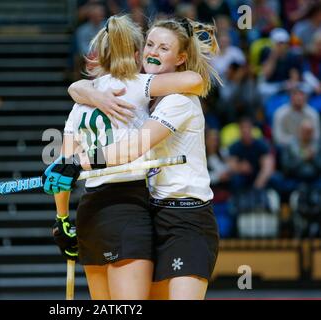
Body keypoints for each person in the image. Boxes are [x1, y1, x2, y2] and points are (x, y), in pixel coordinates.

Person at [44, 17, 222, 300]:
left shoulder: (177, 99)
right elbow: (77, 88)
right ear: (137, 52)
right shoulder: (142, 92)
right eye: (150, 44)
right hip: (152, 213)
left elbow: (133, 147)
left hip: (186, 216)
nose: (154, 51)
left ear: (181, 57)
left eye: (164, 48)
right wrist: (91, 93)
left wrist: (79, 162)